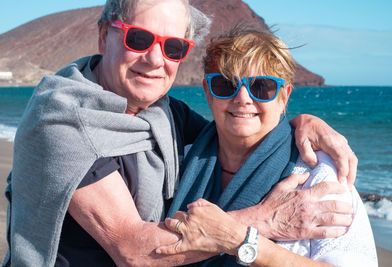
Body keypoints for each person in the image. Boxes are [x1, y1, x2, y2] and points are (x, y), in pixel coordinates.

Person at [3, 0, 357, 266]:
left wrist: (302, 121)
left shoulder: (160, 112)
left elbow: (238, 130)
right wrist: (262, 221)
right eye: (139, 39)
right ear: (103, 36)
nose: (156, 60)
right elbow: (132, 249)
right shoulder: (64, 121)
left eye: (173, 47)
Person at [156, 25, 378, 266]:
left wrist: (244, 241)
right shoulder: (179, 162)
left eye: (261, 87)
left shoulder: (319, 176)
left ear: (284, 96)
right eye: (225, 84)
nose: (242, 98)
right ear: (208, 93)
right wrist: (258, 222)